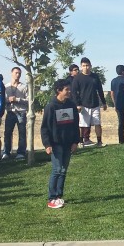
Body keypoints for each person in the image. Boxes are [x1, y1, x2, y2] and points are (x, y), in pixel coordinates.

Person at [40, 79, 80, 209]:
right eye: (66, 89)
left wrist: (75, 141)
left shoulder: (71, 105)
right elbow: (45, 127)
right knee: (57, 170)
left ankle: (59, 196)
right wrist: (47, 144)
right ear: (59, 90)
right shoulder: (51, 106)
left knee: (63, 170)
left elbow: (75, 125)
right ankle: (51, 198)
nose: (69, 92)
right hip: (56, 144)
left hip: (68, 143)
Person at [71, 57, 107, 147]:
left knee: (97, 123)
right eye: (83, 66)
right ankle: (81, 142)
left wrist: (104, 102)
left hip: (95, 104)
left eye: (87, 65)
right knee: (82, 124)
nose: (86, 67)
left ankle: (99, 141)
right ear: (81, 66)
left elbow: (100, 90)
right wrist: (78, 104)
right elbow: (74, 92)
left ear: (90, 66)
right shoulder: (78, 78)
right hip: (83, 105)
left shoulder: (95, 77)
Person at [4, 66, 28, 159]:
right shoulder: (6, 86)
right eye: (16, 73)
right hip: (10, 112)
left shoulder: (24, 87)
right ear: (11, 73)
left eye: (19, 73)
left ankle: (21, 152)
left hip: (21, 112)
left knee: (22, 132)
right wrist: (8, 100)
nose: (17, 75)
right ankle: (6, 152)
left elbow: (29, 100)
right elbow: (2, 100)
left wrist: (17, 99)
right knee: (7, 133)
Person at [110, 64, 124, 145]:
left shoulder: (113, 81)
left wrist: (114, 104)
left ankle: (121, 140)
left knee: (121, 122)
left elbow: (112, 93)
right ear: (123, 71)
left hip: (118, 104)